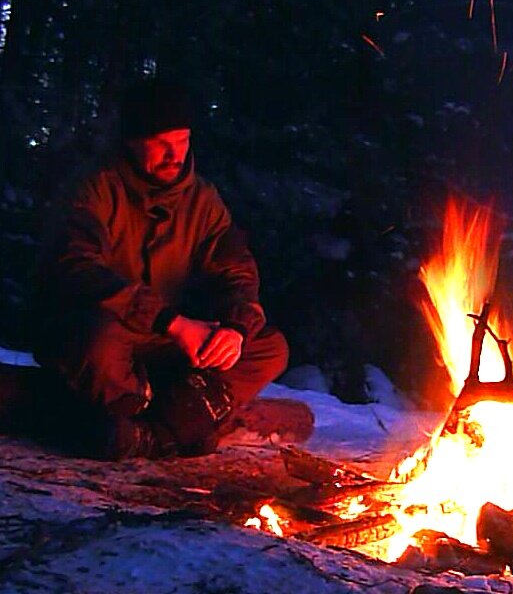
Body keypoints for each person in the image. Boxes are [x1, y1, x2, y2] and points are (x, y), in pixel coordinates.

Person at [31, 79, 312, 459]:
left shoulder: (201, 201)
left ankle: (154, 431)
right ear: (131, 141)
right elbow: (77, 267)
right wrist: (173, 323)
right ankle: (162, 420)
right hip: (103, 332)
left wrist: (235, 327)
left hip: (166, 342)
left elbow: (236, 272)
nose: (173, 155)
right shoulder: (94, 189)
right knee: (98, 341)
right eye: (161, 143)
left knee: (269, 347)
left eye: (181, 142)